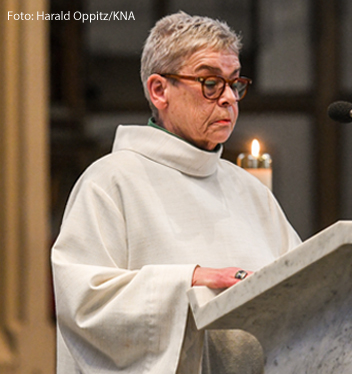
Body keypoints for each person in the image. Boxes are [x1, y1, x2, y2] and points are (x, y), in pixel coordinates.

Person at [51, 11, 302, 374]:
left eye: (235, 83)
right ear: (159, 90)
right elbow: (85, 305)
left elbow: (302, 290)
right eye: (210, 83)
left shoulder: (251, 191)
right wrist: (191, 280)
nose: (230, 98)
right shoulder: (110, 181)